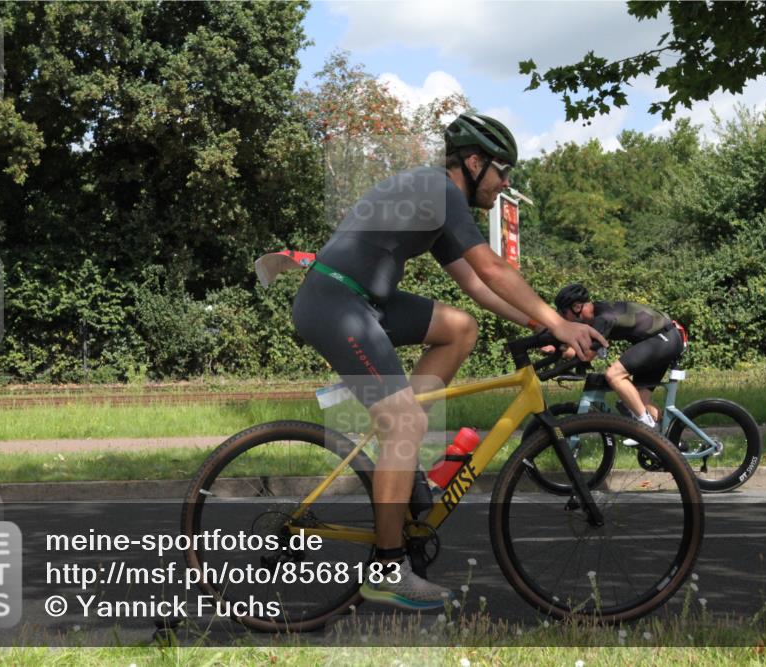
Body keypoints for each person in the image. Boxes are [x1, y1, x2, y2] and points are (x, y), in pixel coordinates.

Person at [291, 113, 607, 610]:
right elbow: (493, 267)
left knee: (459, 328)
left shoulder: (436, 199)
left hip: (361, 300)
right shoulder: (440, 192)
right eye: (502, 171)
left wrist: (541, 326)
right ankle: (387, 567)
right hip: (338, 305)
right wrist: (562, 323)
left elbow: (478, 287)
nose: (506, 183)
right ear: (474, 162)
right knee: (404, 422)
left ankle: (405, 462)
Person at [553, 284, 685, 440]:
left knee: (614, 375)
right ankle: (669, 441)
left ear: (576, 307)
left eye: (563, 313)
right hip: (662, 338)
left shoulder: (602, 318)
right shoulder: (597, 313)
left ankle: (646, 430)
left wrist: (561, 350)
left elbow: (587, 355)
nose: (562, 318)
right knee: (638, 402)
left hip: (664, 338)